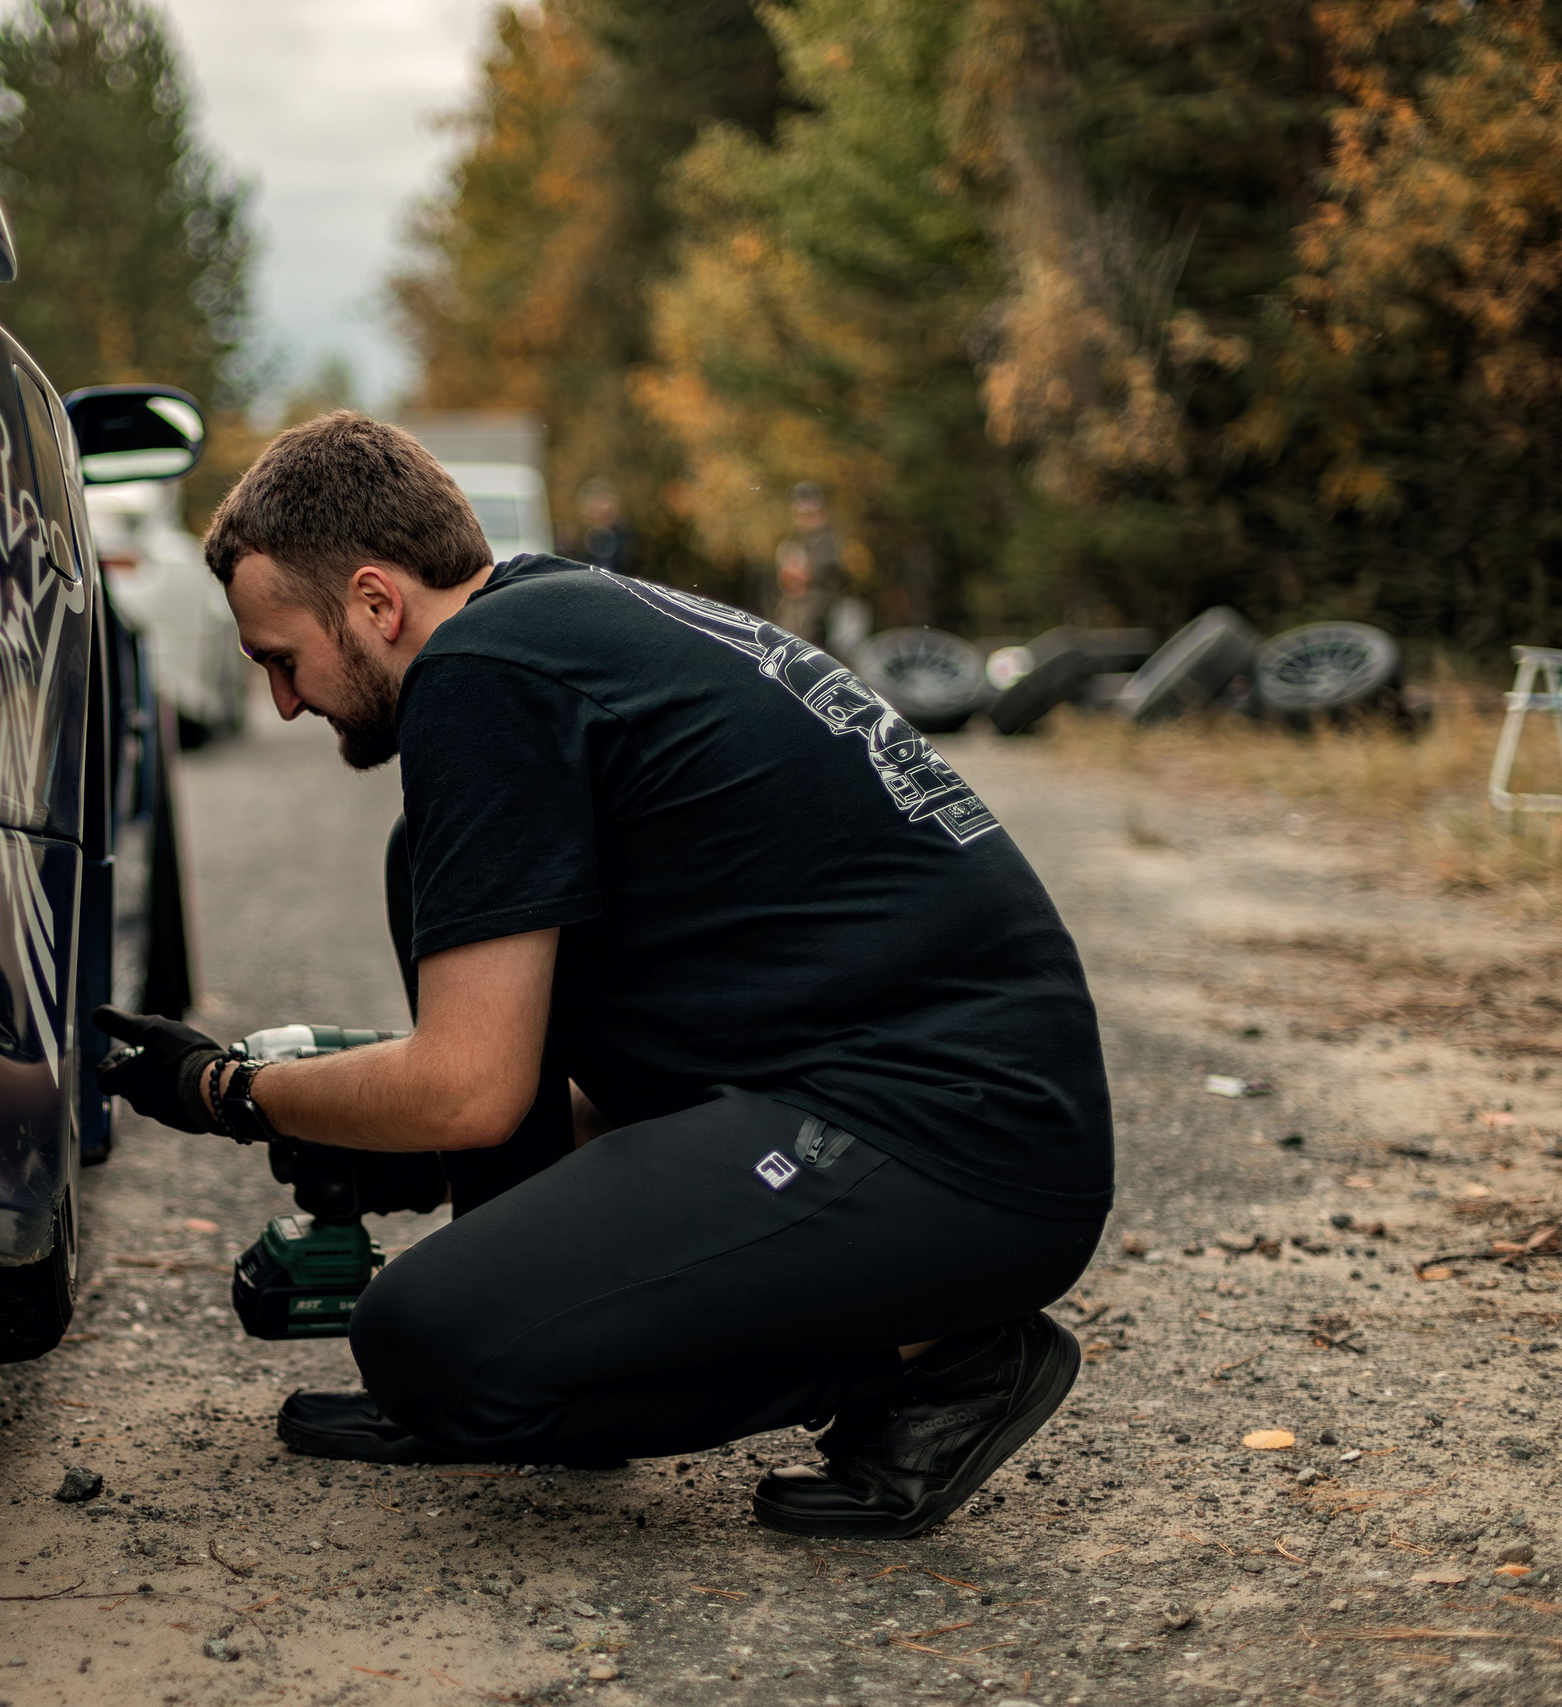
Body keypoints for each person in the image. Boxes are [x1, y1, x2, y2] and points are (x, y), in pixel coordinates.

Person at [93, 413, 1111, 1540]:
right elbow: (615, 1063)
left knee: (424, 1343)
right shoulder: (548, 620)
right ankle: (531, 1352)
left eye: (281, 659)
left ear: (377, 604)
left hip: (951, 1147)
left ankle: (935, 1362)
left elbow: (466, 1090)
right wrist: (439, 1176)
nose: (283, 701)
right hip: (910, 1113)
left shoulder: (478, 676)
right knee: (419, 862)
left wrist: (225, 1091)